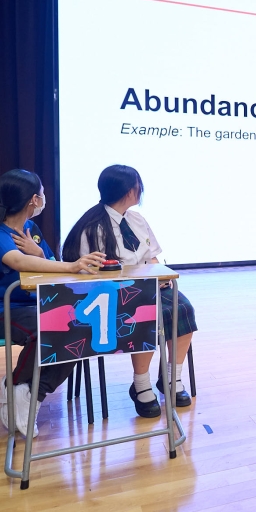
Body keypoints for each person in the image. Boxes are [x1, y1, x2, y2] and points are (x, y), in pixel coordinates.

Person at [62, 165, 198, 418]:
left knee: (183, 309)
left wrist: (160, 276)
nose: (141, 190)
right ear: (128, 191)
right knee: (149, 314)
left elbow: (152, 257)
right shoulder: (93, 227)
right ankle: (141, 384)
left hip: (147, 286)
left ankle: (171, 378)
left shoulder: (137, 219)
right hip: (112, 295)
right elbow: (91, 275)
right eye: (138, 186)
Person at [0, 169, 106, 438]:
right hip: (8, 309)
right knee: (46, 330)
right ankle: (16, 387)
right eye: (42, 194)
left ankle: (29, 393)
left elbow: (50, 263)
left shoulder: (31, 230)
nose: (43, 199)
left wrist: (39, 252)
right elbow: (16, 260)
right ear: (33, 200)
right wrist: (71, 266)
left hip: (38, 303)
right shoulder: (1, 232)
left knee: (82, 328)